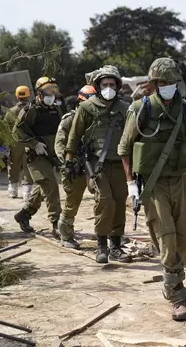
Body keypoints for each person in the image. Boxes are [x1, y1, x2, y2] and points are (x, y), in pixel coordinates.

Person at [118, 57, 186, 321]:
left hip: (180, 181)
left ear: (177, 83)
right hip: (153, 184)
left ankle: (171, 279)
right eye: (161, 82)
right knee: (166, 237)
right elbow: (125, 149)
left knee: (184, 238)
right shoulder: (140, 109)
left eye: (170, 82)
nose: (166, 87)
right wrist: (131, 184)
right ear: (153, 84)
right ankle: (177, 293)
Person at [65, 66, 131, 264]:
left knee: (120, 203)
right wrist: (69, 162)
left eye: (112, 84)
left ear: (117, 86)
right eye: (105, 85)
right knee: (104, 201)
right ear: (98, 86)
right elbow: (74, 136)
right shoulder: (87, 108)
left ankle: (116, 247)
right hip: (97, 165)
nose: (108, 88)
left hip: (120, 164)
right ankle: (101, 245)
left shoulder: (126, 108)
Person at [12, 77, 65, 236]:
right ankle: (57, 223)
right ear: (39, 93)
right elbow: (17, 131)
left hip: (52, 155)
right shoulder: (31, 110)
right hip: (36, 156)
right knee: (51, 184)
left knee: (43, 188)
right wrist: (34, 144)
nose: (52, 94)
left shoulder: (57, 109)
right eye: (48, 91)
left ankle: (24, 214)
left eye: (54, 90)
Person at [54, 84, 98, 249]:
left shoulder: (98, 119)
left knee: (103, 197)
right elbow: (59, 144)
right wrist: (67, 161)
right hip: (74, 166)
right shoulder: (69, 120)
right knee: (72, 201)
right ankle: (66, 234)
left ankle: (106, 234)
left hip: (92, 165)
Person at [4, 85, 34, 200]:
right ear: (28, 95)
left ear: (17, 96)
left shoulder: (11, 111)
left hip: (15, 142)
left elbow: (6, 129)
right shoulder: (32, 109)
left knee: (13, 164)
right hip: (29, 142)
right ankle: (27, 192)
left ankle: (13, 190)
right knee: (28, 165)